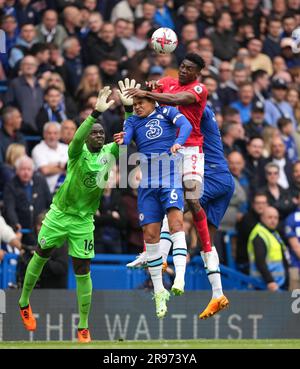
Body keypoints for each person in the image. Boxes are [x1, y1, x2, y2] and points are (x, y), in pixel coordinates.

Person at [18, 85, 126, 343]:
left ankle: (84, 327)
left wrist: (129, 109)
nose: (99, 136)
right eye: (95, 133)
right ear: (88, 136)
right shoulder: (77, 153)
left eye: (102, 134)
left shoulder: (111, 152)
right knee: (42, 255)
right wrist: (95, 114)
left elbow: (128, 132)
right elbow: (77, 138)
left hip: (83, 220)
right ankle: (23, 302)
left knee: (82, 269)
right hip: (59, 214)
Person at [125, 53, 216, 268]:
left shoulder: (199, 89)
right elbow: (147, 104)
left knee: (192, 198)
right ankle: (151, 253)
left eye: (189, 68)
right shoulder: (167, 82)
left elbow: (177, 100)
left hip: (191, 147)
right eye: (182, 66)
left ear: (198, 73)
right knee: (161, 201)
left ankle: (207, 248)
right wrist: (151, 87)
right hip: (168, 148)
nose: (184, 71)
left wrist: (149, 92)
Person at [114, 80, 192, 318]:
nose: (137, 107)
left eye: (141, 102)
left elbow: (186, 125)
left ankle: (179, 278)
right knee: (150, 236)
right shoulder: (132, 121)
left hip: (169, 178)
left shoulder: (167, 111)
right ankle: (160, 292)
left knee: (177, 224)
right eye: (134, 104)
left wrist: (178, 142)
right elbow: (126, 142)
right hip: (147, 184)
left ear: (152, 100)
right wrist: (121, 140)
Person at [247, 206, 289, 291]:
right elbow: (260, 262)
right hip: (265, 285)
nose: (273, 220)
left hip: (278, 284)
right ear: (262, 218)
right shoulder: (259, 234)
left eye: (276, 218)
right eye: (270, 217)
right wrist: (270, 281)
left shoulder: (273, 233)